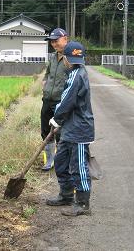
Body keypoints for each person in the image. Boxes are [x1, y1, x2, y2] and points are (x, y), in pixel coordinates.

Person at [45, 41, 95, 216]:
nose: (71, 61)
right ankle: (66, 194)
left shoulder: (77, 75)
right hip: (69, 127)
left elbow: (67, 101)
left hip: (79, 129)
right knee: (61, 161)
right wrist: (59, 120)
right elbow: (65, 100)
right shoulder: (75, 73)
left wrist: (57, 119)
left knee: (78, 166)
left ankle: (83, 203)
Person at [41, 28, 70, 171]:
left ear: (65, 39)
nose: (53, 44)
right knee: (46, 130)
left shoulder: (71, 58)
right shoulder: (52, 57)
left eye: (56, 40)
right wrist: (44, 85)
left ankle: (62, 162)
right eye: (51, 41)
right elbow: (47, 74)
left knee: (60, 132)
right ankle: (49, 161)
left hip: (61, 102)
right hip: (47, 99)